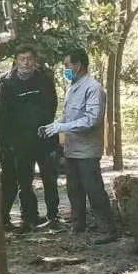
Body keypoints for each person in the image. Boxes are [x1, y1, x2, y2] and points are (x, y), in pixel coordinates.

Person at [43, 48, 118, 243]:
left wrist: (63, 126)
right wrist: (54, 126)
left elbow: (92, 119)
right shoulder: (73, 87)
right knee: (74, 188)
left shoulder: (93, 88)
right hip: (72, 148)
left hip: (87, 149)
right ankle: (78, 225)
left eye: (67, 65)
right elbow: (70, 117)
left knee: (93, 188)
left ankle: (107, 229)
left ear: (78, 65)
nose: (65, 69)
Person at [0, 48, 62, 231]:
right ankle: (29, 217)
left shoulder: (44, 79)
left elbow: (51, 104)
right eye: (22, 59)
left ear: (35, 60)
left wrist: (43, 125)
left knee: (49, 177)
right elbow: (1, 115)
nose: (26, 62)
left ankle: (53, 216)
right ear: (16, 61)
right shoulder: (6, 83)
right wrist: (8, 140)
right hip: (20, 141)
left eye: (29, 58)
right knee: (24, 180)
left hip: (43, 136)